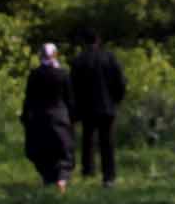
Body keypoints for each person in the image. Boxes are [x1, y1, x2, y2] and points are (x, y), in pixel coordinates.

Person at [70, 31, 128, 186]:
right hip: (107, 106)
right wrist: (116, 100)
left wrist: (75, 108)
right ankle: (109, 175)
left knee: (88, 139)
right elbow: (120, 82)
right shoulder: (109, 58)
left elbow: (73, 87)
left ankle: (88, 170)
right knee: (107, 142)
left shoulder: (79, 60)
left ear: (84, 42)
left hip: (87, 106)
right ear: (99, 41)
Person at [20, 43, 75, 191]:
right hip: (60, 116)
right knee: (63, 149)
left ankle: (48, 178)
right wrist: (73, 116)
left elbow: (29, 99)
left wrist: (25, 117)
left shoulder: (35, 75)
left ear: (40, 56)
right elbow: (69, 98)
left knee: (44, 149)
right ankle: (62, 179)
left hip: (40, 117)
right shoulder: (62, 74)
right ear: (55, 55)